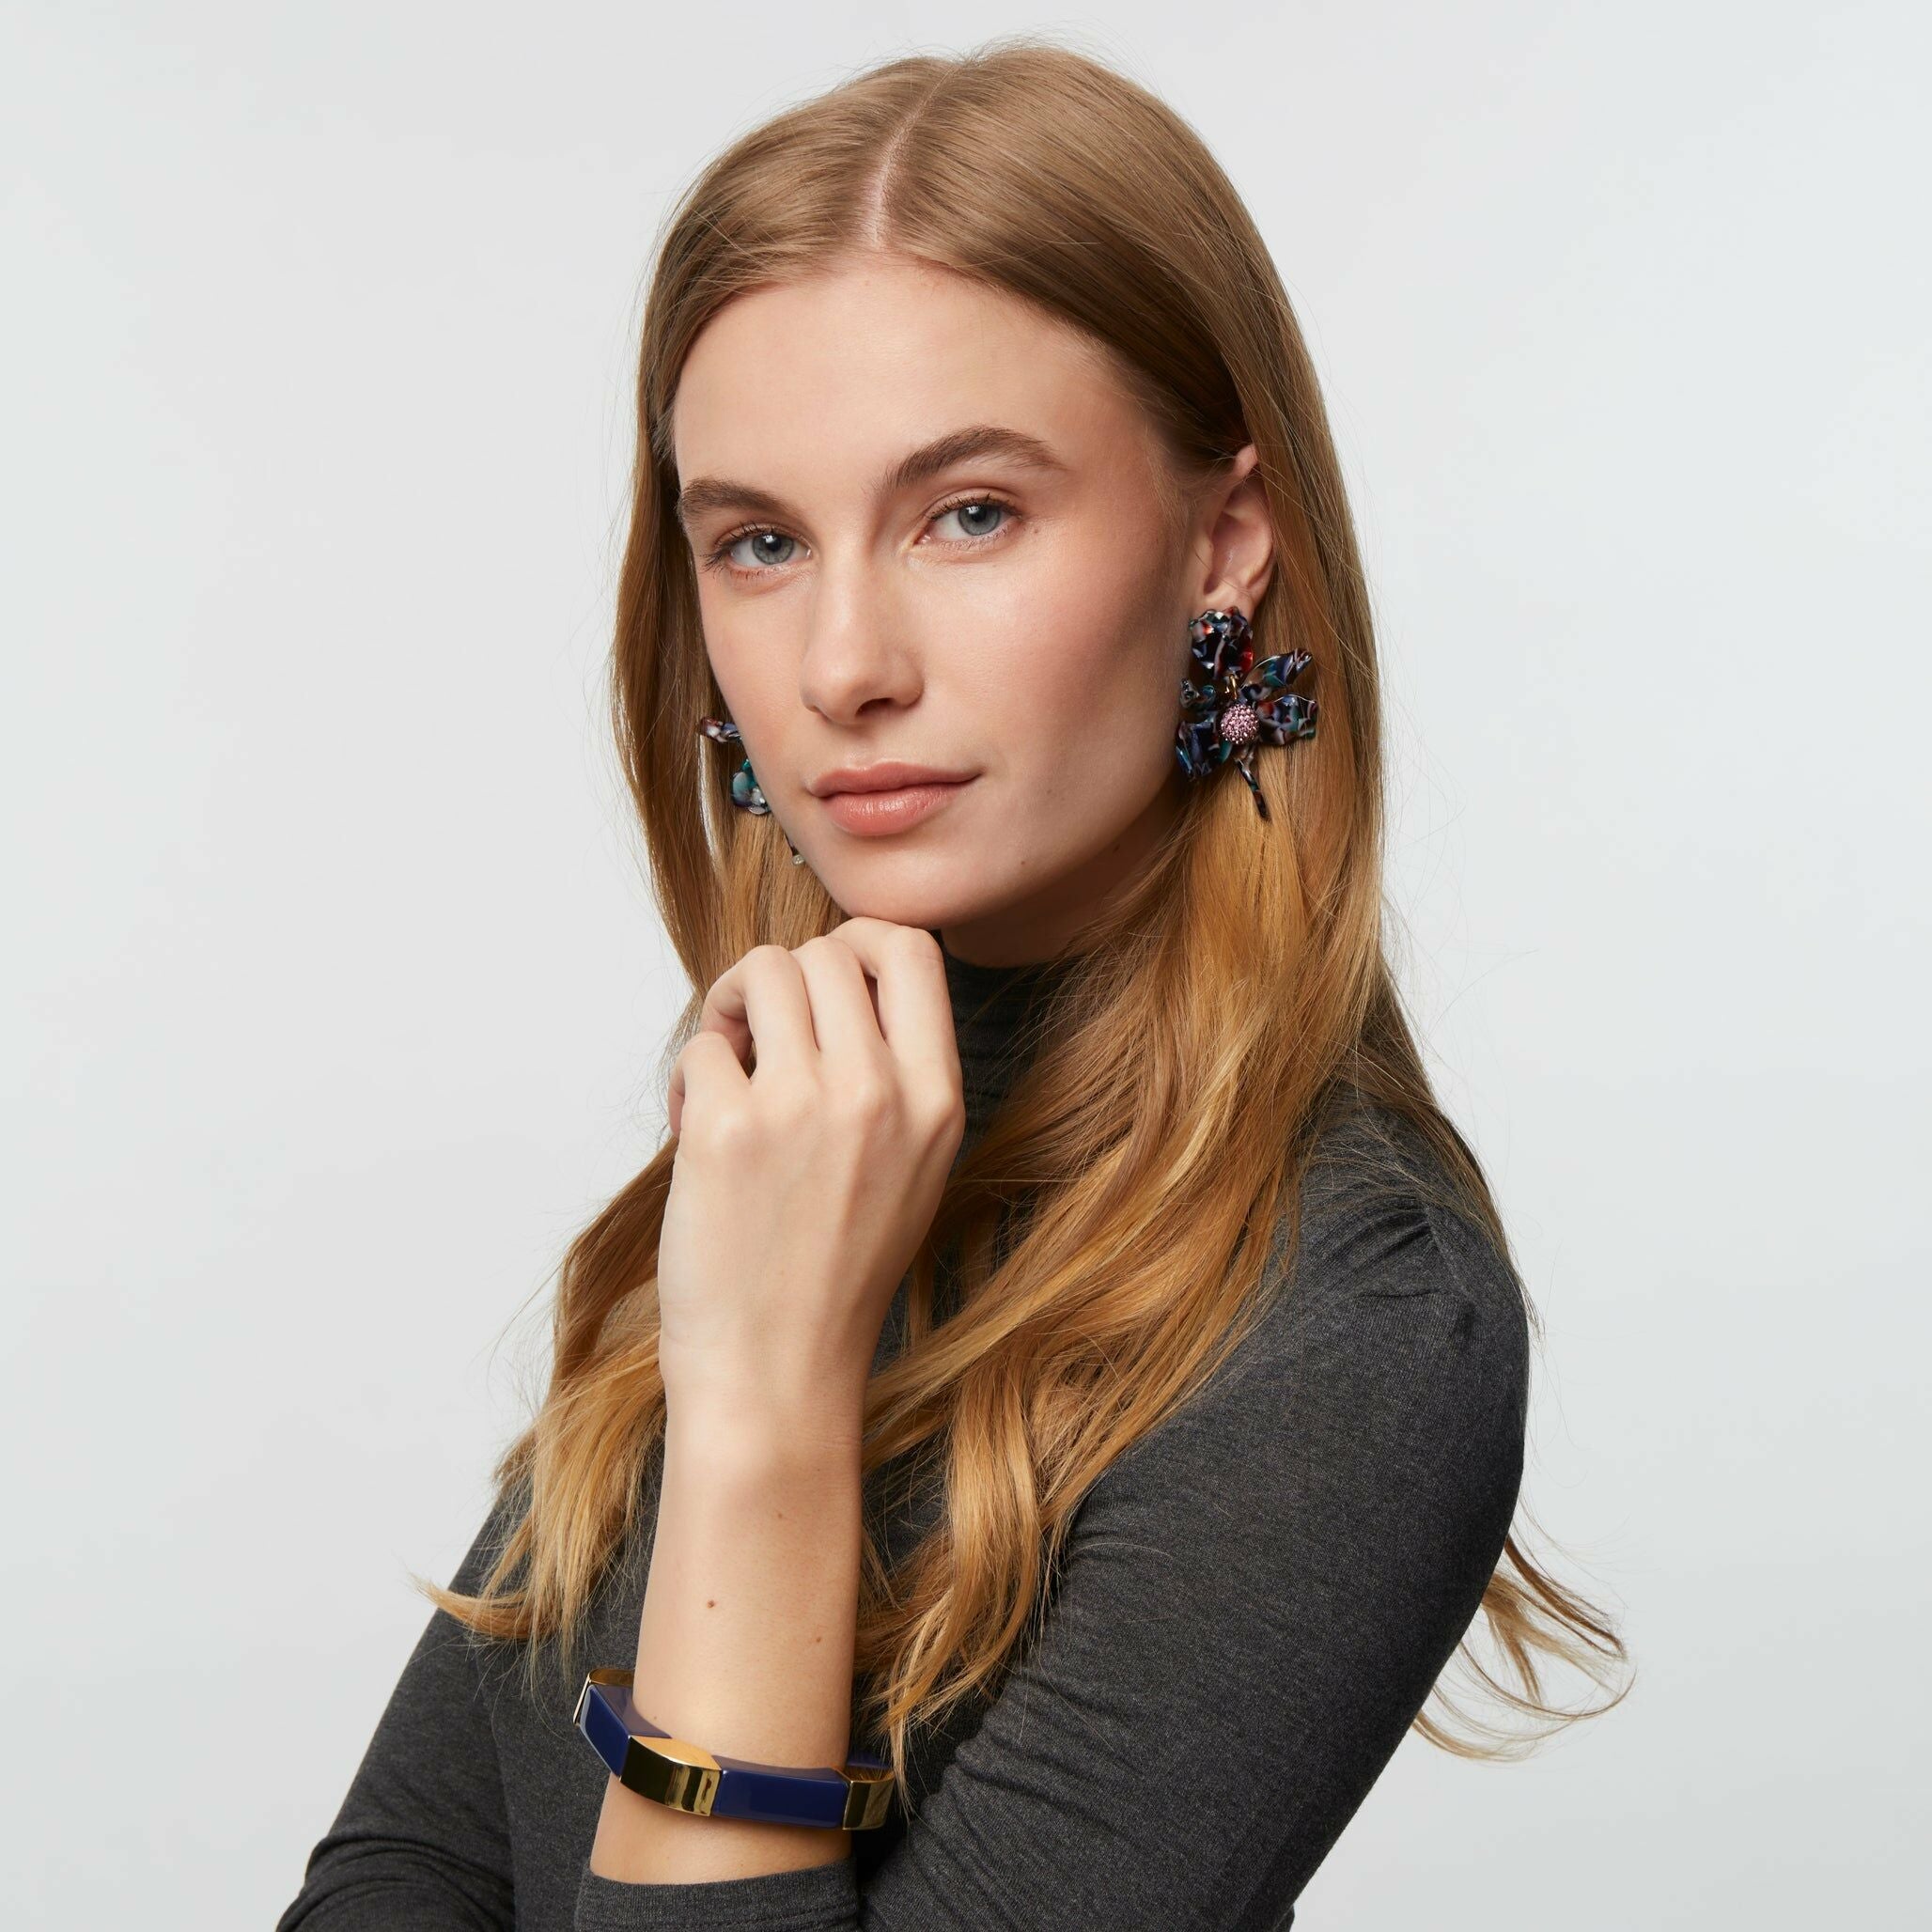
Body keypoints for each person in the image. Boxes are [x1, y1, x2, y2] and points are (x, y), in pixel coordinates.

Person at [277, 36, 1628, 1932]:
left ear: (1221, 547)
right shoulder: (802, 1145)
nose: (842, 664)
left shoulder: (1353, 1315)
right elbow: (396, 1881)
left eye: (968, 513)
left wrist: (763, 1408)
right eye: (759, 542)